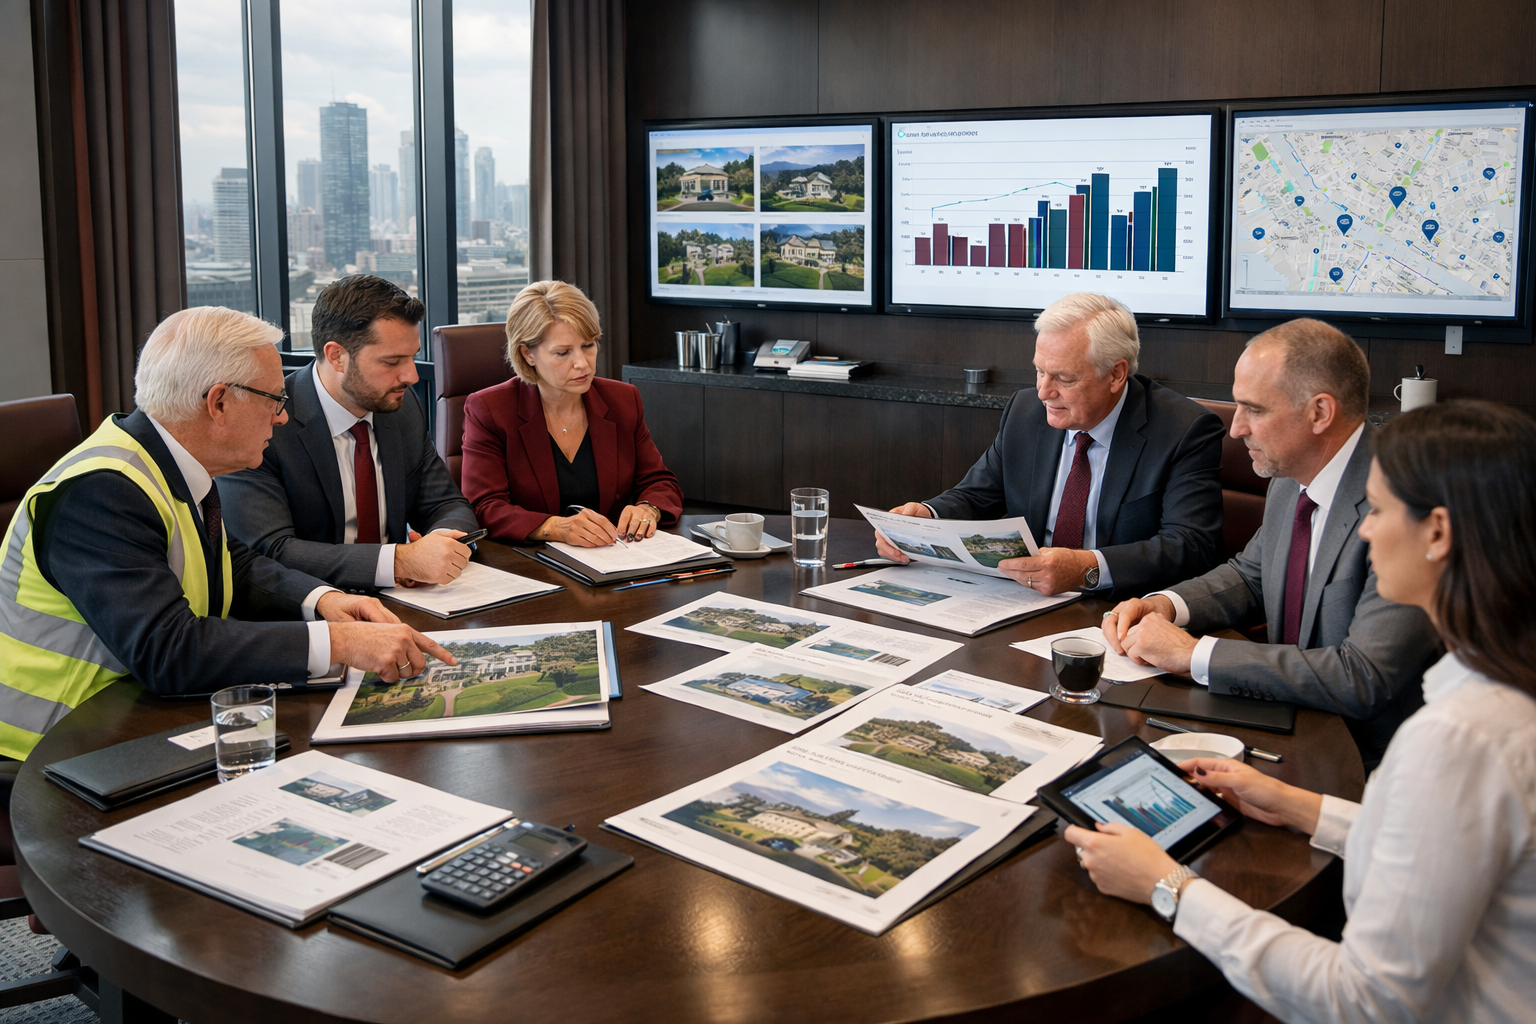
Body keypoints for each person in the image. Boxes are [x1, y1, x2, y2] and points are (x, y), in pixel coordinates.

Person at [1068, 400, 1536, 1024]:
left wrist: (1169, 886)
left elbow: (1362, 1000)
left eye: (1381, 511)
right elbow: (1440, 849)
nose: (1365, 531)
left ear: (1438, 533)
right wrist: (1299, 806)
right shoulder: (1504, 693)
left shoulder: (1455, 741)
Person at [0, 307, 454, 760]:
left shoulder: (164, 462)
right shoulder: (100, 491)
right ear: (219, 402)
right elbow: (169, 651)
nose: (281, 418)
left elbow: (228, 560)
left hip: (132, 719)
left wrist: (323, 601)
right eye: (276, 399)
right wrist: (340, 641)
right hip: (55, 751)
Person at [1102, 319, 1437, 765]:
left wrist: (1194, 653)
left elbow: (1364, 677)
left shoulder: (1404, 504)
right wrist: (1167, 604)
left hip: (1369, 757)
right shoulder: (1290, 477)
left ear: (1320, 412)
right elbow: (1252, 575)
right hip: (1282, 717)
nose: (1236, 429)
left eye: (1254, 410)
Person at [876, 292, 1224, 597]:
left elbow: (1191, 546)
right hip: (1022, 597)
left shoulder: (1183, 431)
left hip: (1117, 609)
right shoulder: (1025, 411)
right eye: (1040, 371)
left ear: (1116, 374)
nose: (1044, 392)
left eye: (1063, 378)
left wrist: (1089, 568)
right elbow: (975, 496)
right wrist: (923, 518)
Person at [219, 275, 479, 590]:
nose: (411, 376)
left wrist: (439, 545)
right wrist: (397, 562)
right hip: (309, 611)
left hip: (408, 599)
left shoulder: (401, 404)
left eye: (412, 357)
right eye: (392, 362)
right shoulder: (266, 422)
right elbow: (270, 550)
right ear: (336, 356)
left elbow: (446, 504)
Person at [461, 281, 683, 546]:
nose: (582, 363)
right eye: (563, 352)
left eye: (588, 345)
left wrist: (648, 509)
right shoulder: (489, 409)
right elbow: (485, 506)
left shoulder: (623, 400)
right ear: (528, 354)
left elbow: (660, 481)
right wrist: (556, 527)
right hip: (530, 564)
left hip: (612, 560)